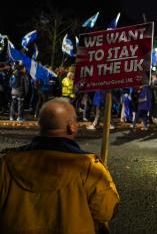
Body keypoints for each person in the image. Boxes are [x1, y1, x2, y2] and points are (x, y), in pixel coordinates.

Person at [0, 98, 120, 233]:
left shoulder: (7, 163)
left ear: (41, 125)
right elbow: (106, 211)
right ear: (71, 126)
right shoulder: (89, 167)